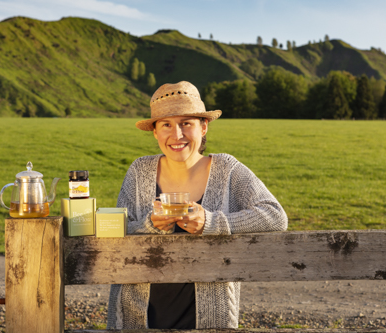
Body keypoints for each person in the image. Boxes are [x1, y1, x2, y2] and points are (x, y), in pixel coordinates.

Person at [107, 81, 288, 329]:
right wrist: (150, 226)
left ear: (203, 127)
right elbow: (117, 231)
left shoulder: (227, 169)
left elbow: (275, 216)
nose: (177, 135)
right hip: (140, 316)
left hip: (210, 319)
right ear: (155, 132)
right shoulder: (140, 171)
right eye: (167, 125)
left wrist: (211, 222)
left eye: (186, 124)